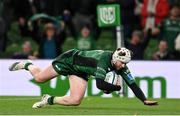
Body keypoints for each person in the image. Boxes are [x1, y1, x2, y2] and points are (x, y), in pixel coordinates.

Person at [9, 47, 158, 108]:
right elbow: (100, 85)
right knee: (40, 79)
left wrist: (144, 100)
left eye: (126, 63)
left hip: (81, 70)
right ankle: (28, 65)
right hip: (70, 60)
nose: (123, 66)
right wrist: (116, 88)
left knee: (75, 101)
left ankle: (48, 99)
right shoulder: (104, 61)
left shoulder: (120, 65)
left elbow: (132, 83)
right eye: (122, 62)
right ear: (115, 58)